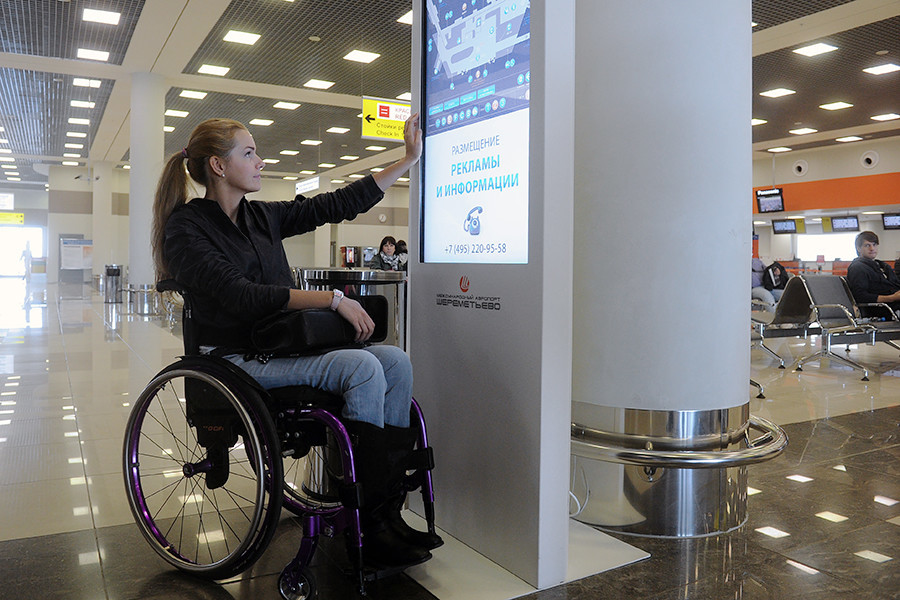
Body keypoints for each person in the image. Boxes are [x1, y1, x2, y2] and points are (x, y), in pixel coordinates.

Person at [151, 113, 441, 569]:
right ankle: (365, 524)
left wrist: (408, 159)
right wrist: (331, 299)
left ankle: (384, 510)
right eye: (249, 153)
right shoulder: (187, 230)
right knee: (363, 367)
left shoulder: (262, 216)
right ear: (219, 166)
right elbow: (239, 296)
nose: (261, 161)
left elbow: (337, 204)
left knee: (395, 361)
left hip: (279, 347)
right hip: (236, 360)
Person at [846, 231, 900, 314]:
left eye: (874, 245)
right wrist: (892, 298)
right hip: (883, 309)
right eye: (867, 245)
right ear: (858, 248)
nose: (872, 248)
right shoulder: (857, 268)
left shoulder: (883, 266)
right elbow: (861, 296)